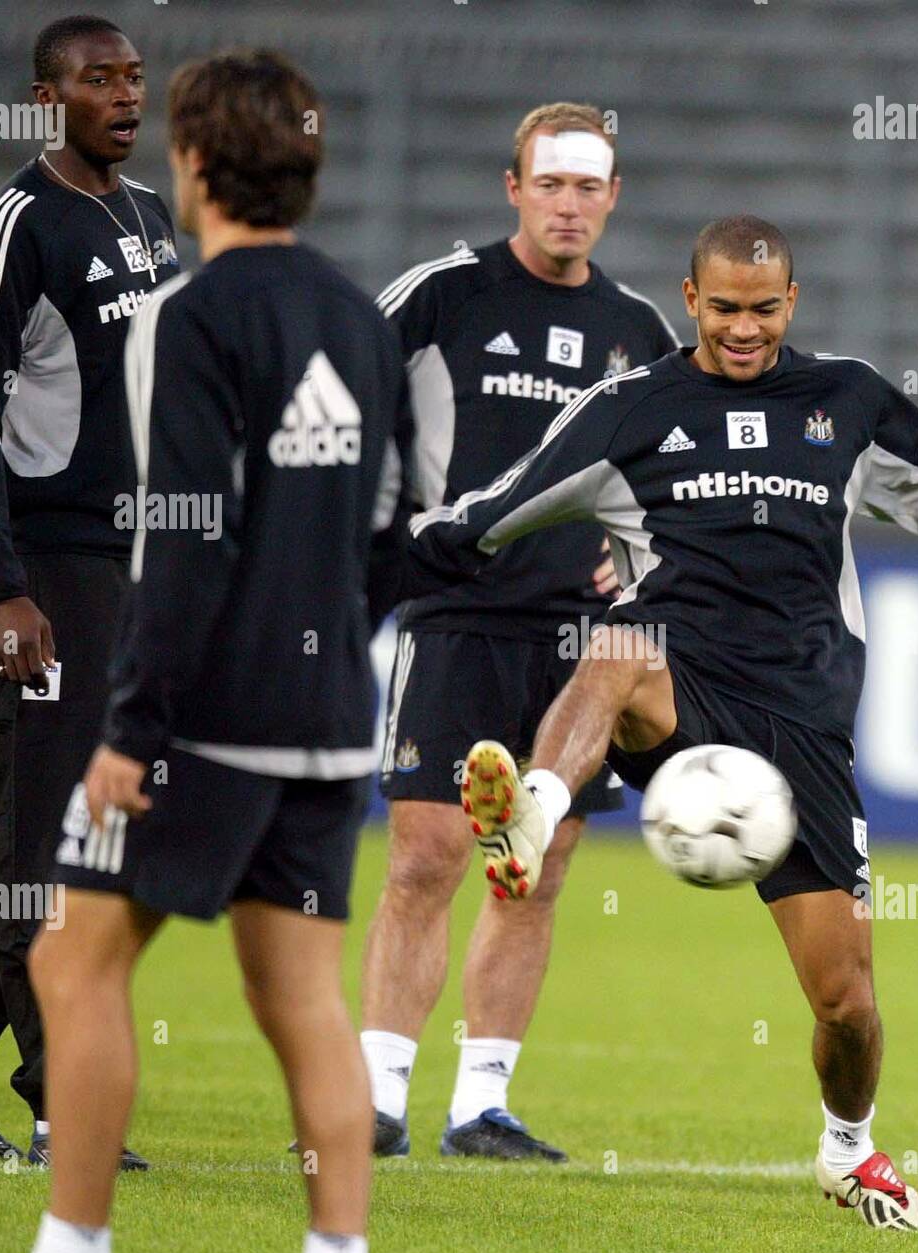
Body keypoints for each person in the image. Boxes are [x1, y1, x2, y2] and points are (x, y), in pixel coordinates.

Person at [398, 214, 918, 1230]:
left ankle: (847, 1150)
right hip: (679, 684)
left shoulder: (848, 398)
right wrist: (349, 549)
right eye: (724, 308)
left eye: (763, 309)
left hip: (801, 720)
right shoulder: (628, 408)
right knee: (616, 647)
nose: (743, 329)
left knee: (847, 1006)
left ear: (792, 302)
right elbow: (490, 514)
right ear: (689, 302)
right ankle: (536, 808)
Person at [0, 48, 404, 1253]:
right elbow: (395, 531)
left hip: (208, 721)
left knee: (72, 956)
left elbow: (182, 536)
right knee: (301, 998)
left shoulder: (188, 314)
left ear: (196, 160)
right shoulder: (358, 315)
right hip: (334, 719)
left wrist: (134, 728)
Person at [362, 103, 678, 1161]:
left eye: (589, 187)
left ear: (613, 197)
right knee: (425, 858)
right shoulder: (440, 295)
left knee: (534, 872)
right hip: (456, 614)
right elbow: (337, 398)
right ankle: (374, 1099)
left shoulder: (641, 332)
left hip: (577, 640)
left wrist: (639, 562)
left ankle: (480, 1108)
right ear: (514, 188)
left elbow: (675, 483)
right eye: (551, 184)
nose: (569, 205)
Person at [0, 13, 179, 1168]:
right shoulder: (14, 226)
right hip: (49, 573)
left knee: (108, 838)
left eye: (135, 77)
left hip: (140, 572)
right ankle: (63, 1104)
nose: (125, 96)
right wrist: (2, 587)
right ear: (48, 101)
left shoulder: (148, 221)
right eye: (100, 80)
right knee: (42, 839)